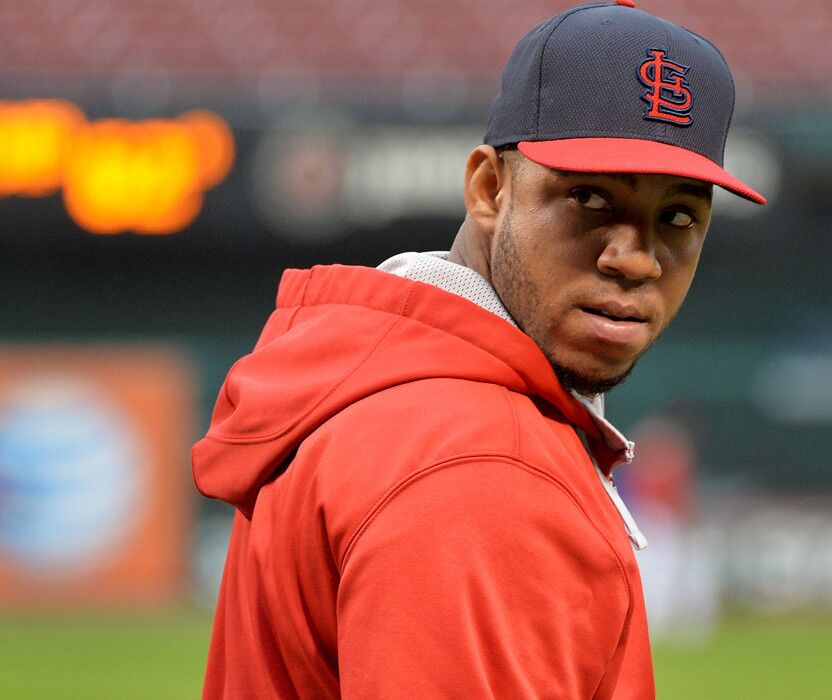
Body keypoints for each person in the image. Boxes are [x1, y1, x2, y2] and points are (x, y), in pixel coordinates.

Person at [192, 1, 765, 697]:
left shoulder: (379, 387)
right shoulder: (482, 464)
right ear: (489, 189)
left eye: (678, 215)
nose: (635, 258)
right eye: (588, 199)